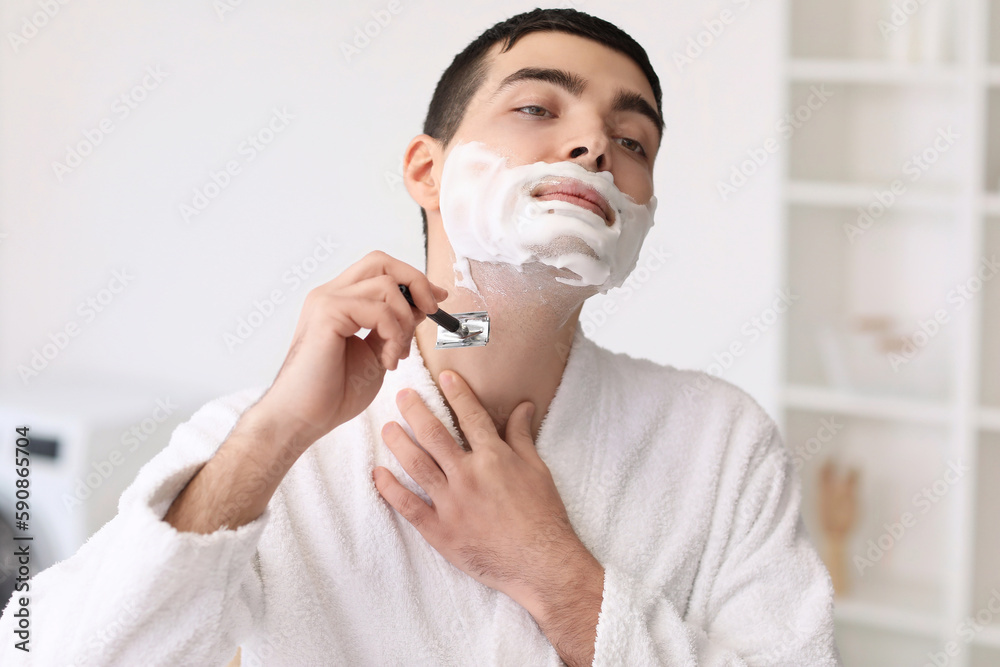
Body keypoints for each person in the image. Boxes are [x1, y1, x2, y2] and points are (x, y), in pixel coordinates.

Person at [0, 8, 842, 666]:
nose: (593, 147)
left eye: (632, 141)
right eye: (536, 107)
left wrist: (555, 575)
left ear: (642, 213)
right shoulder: (270, 444)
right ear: (426, 170)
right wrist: (275, 433)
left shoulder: (719, 444)